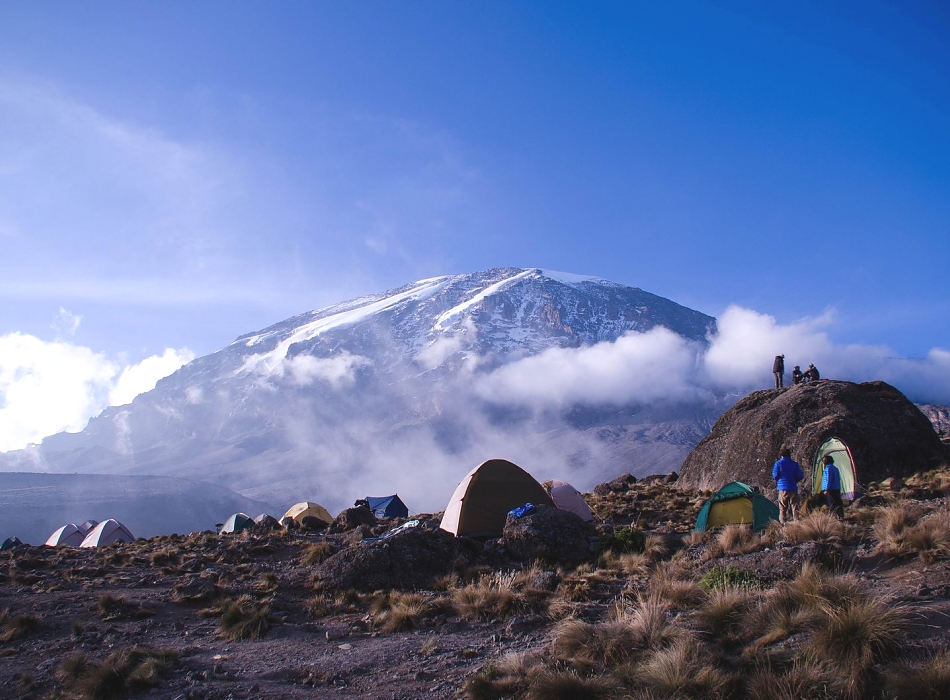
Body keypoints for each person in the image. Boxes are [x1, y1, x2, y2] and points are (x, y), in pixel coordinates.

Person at [772, 448, 804, 524]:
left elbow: (775, 475)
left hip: (782, 488)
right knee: (795, 506)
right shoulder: (794, 464)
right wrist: (794, 480)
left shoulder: (778, 464)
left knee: (782, 508)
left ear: (781, 455)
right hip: (793, 487)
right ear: (790, 455)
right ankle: (796, 521)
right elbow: (800, 475)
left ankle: (782, 522)